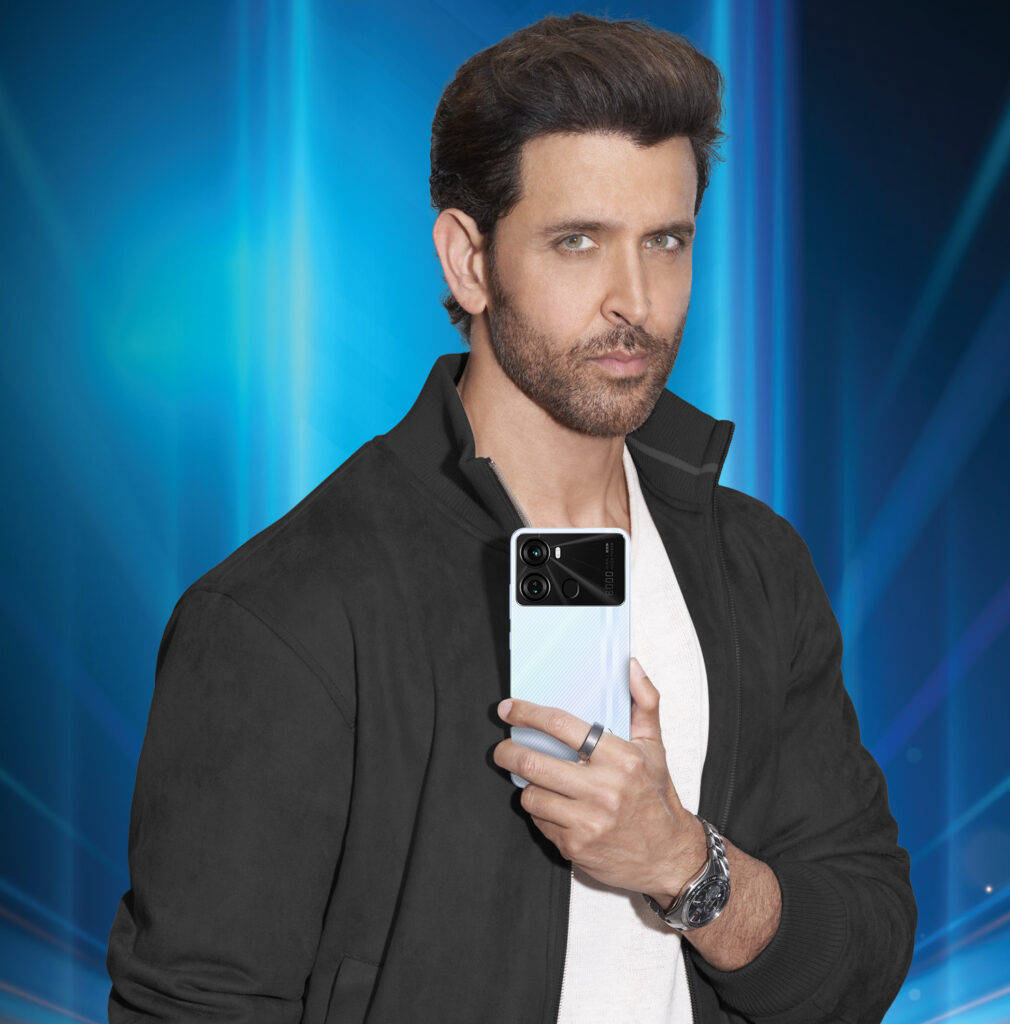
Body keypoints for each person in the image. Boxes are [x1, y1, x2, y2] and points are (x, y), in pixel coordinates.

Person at [106, 12, 916, 1024]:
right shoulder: (286, 612)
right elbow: (192, 1006)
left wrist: (683, 863)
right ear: (469, 261)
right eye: (578, 242)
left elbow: (866, 948)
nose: (634, 301)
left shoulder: (754, 564)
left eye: (665, 242)